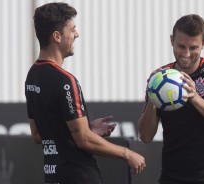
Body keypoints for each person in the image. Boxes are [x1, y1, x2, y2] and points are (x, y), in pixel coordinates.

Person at [25, 2, 146, 184]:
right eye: (72, 29)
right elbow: (83, 140)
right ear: (57, 36)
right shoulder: (66, 81)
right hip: (79, 176)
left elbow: (37, 134)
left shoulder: (32, 76)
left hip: (53, 177)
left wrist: (86, 128)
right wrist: (126, 153)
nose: (77, 34)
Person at [138, 14, 204, 184]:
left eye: (193, 48)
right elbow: (145, 136)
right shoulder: (160, 78)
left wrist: (195, 98)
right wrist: (152, 98)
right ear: (171, 40)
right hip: (172, 178)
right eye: (181, 46)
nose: (186, 54)